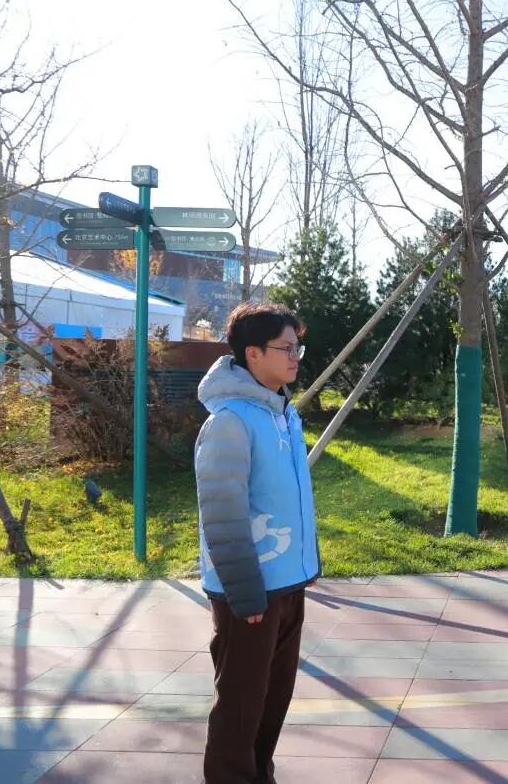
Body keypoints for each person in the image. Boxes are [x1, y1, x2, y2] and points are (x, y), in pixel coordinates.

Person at [196, 302, 321, 784]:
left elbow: (289, 499)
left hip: (287, 582)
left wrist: (308, 563)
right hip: (250, 591)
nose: (295, 357)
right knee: (241, 705)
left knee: (273, 698)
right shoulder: (231, 421)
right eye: (285, 348)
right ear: (252, 353)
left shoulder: (283, 414)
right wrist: (245, 591)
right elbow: (222, 512)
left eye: (297, 348)